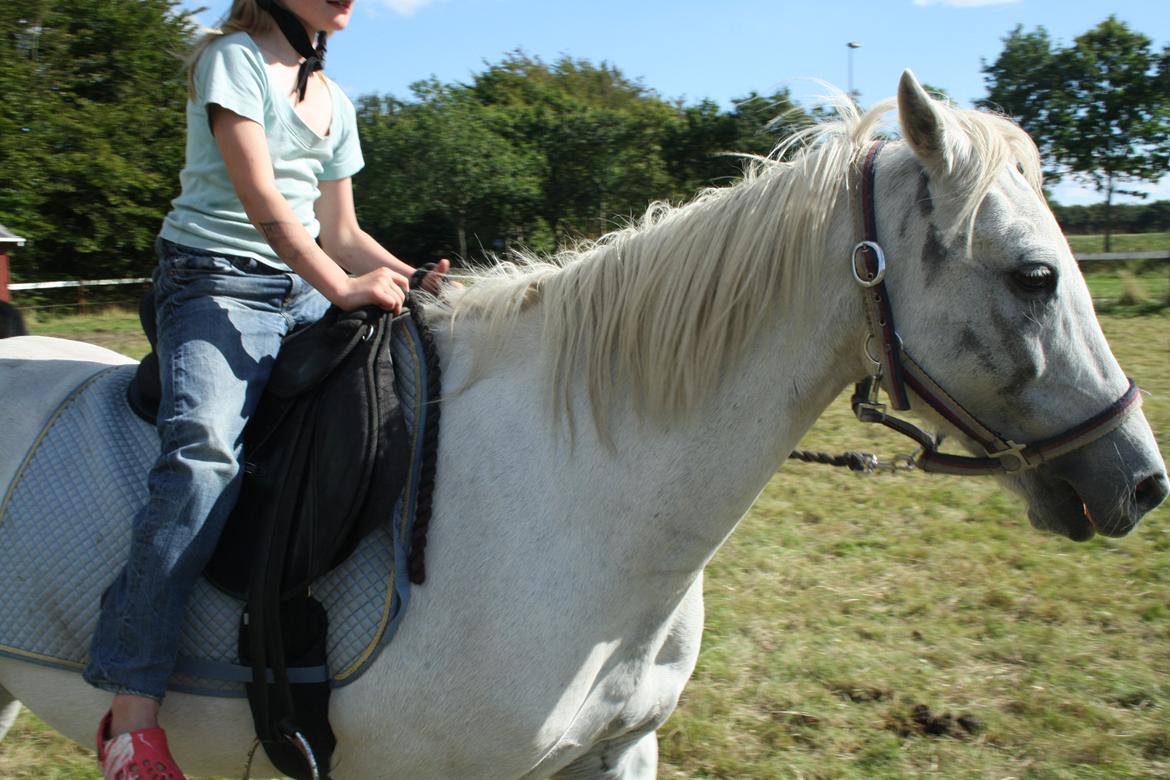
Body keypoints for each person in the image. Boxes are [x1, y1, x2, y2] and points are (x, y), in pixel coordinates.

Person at [82, 2, 446, 777]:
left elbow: (341, 233)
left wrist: (422, 281)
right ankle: (132, 715)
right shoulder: (233, 61)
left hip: (305, 287)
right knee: (204, 458)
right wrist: (344, 287)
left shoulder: (334, 100)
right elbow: (265, 205)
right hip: (213, 282)